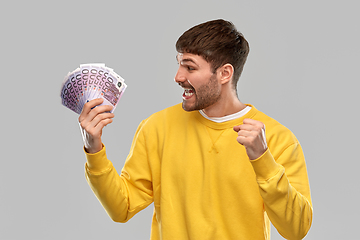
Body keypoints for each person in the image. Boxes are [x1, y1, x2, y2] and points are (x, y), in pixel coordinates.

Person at [78, 19, 313, 240]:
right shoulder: (157, 128)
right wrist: (93, 148)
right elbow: (122, 208)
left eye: (190, 68)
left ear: (224, 73)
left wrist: (263, 160)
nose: (178, 76)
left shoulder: (277, 138)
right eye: (179, 64)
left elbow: (297, 229)